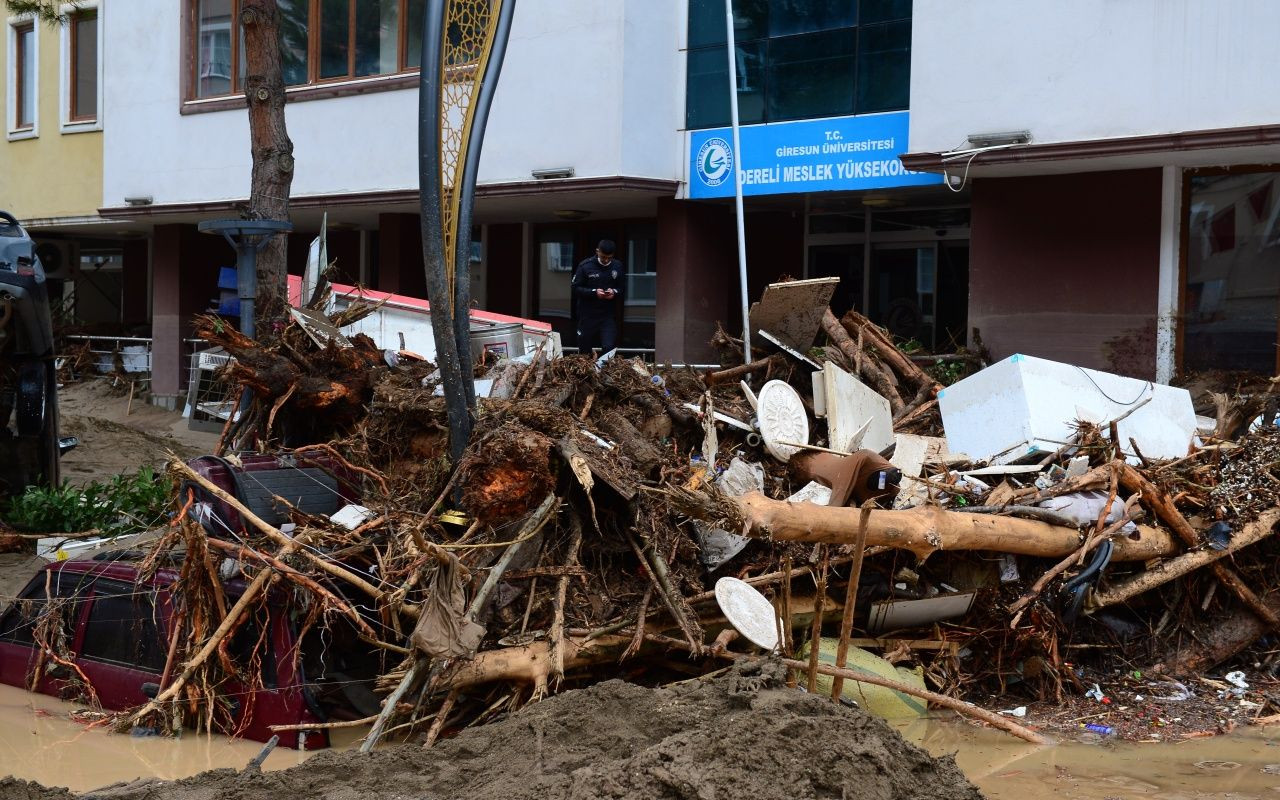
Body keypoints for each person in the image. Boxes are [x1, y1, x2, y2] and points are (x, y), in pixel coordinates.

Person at [571, 239, 624, 353]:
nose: (606, 260)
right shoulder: (585, 266)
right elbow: (575, 288)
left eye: (609, 258)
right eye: (603, 256)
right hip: (587, 315)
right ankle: (588, 370)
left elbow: (622, 288)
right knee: (584, 349)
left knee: (608, 347)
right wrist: (594, 292)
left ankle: (603, 369)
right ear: (597, 251)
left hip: (607, 316)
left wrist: (614, 292)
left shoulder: (618, 266)